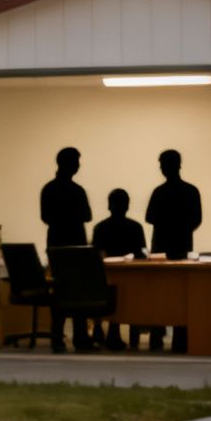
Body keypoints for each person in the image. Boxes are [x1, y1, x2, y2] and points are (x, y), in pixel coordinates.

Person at [144, 148, 202, 353]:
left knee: (159, 294)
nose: (161, 168)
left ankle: (156, 337)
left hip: (161, 248)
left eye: (162, 164)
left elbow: (150, 218)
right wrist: (181, 227)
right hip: (182, 247)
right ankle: (180, 339)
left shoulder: (159, 192)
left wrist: (166, 223)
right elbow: (197, 220)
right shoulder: (191, 191)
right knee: (180, 294)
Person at [40, 147, 95, 351]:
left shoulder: (49, 189)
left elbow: (45, 217)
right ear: (70, 164)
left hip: (55, 244)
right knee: (77, 293)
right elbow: (87, 216)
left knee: (60, 292)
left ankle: (57, 337)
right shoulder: (77, 191)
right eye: (77, 162)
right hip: (75, 246)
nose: (79, 166)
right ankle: (81, 338)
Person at [90, 188, 147, 351]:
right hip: (131, 277)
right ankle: (130, 334)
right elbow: (142, 254)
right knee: (126, 293)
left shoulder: (100, 228)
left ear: (109, 206)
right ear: (127, 206)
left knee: (107, 289)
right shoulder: (135, 227)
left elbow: (95, 255)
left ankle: (100, 328)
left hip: (105, 277)